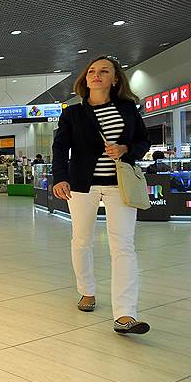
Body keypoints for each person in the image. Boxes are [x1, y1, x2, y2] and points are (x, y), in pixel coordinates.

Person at [52, 55, 151, 335]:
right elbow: (60, 147)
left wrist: (126, 149)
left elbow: (143, 140)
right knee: (81, 241)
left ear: (115, 79)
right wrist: (60, 177)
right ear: (85, 79)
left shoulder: (128, 109)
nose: (96, 75)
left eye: (104, 71)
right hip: (82, 185)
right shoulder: (72, 113)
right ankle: (87, 291)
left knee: (123, 246)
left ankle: (125, 314)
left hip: (120, 185)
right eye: (92, 71)